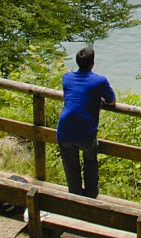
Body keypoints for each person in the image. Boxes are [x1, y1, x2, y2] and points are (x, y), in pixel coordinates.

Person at [56, 46, 115, 198]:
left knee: (71, 167)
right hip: (85, 132)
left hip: (65, 130)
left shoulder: (66, 78)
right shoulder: (99, 81)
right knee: (90, 163)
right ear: (93, 63)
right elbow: (111, 101)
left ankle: (75, 199)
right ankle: (90, 197)